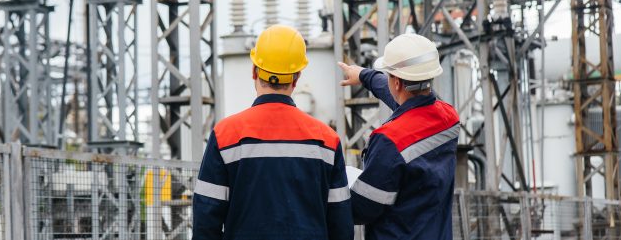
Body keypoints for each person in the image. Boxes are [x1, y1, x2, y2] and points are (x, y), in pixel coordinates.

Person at [193, 25, 354, 240]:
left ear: (254, 71)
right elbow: (341, 225)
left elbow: (205, 220)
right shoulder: (326, 140)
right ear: (296, 78)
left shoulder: (226, 135)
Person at [338, 33, 459, 240]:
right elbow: (409, 103)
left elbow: (363, 209)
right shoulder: (449, 118)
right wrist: (365, 76)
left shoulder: (389, 141)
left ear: (396, 83)